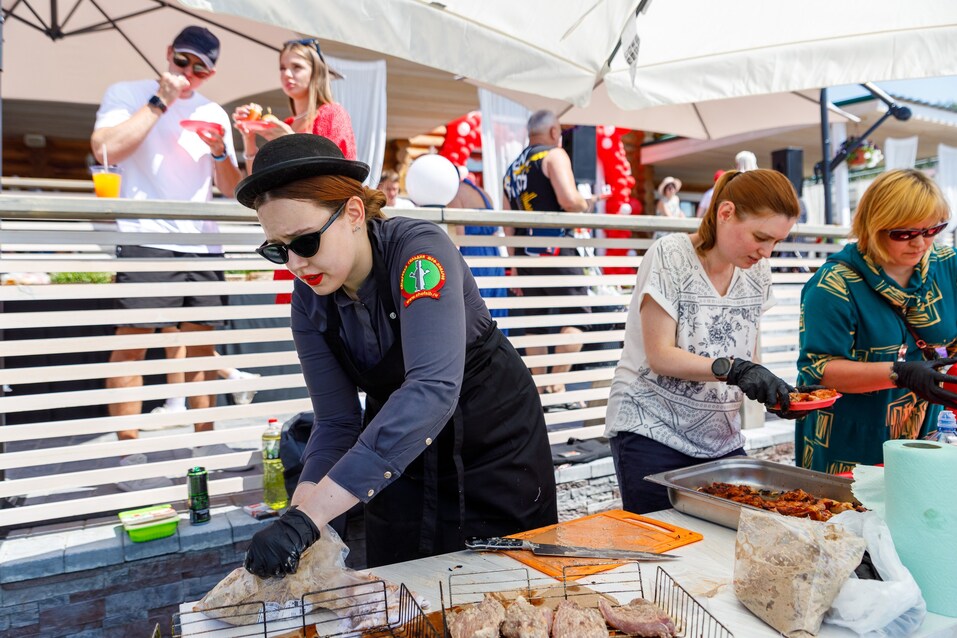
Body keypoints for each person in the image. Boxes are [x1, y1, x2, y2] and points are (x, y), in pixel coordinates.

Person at [235, 134, 558, 574]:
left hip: (491, 443)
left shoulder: (419, 251)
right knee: (402, 585)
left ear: (352, 213)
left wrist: (310, 518)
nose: (294, 263)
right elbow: (336, 421)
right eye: (278, 249)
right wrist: (299, 516)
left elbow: (431, 388)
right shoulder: (308, 299)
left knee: (503, 584)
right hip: (398, 452)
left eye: (305, 242)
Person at [604, 169, 804, 514]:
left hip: (721, 439)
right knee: (665, 546)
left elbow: (747, 354)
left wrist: (772, 392)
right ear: (725, 213)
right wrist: (736, 370)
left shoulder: (757, 271)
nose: (768, 252)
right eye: (761, 237)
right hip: (651, 428)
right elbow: (661, 355)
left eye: (777, 242)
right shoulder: (670, 254)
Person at [90, 26, 242, 472]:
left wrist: (219, 153)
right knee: (132, 346)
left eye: (201, 68)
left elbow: (232, 190)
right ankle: (129, 454)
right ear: (168, 54)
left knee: (200, 346)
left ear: (211, 73)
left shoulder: (214, 111)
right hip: (145, 237)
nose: (189, 73)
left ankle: (206, 446)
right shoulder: (127, 93)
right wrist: (161, 100)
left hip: (202, 245)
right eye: (183, 61)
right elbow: (104, 150)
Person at [796, 169, 957, 474]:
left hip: (929, 426)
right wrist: (900, 373)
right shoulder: (832, 284)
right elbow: (819, 371)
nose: (921, 244)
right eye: (904, 233)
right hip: (851, 434)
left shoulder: (948, 264)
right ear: (873, 227)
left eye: (932, 229)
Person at [235, 38, 359, 306]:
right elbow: (259, 187)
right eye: (282, 67)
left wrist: (288, 138)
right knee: (299, 318)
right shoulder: (287, 122)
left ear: (315, 72)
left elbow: (340, 178)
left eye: (296, 67)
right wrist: (248, 139)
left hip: (319, 238)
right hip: (288, 241)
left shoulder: (332, 114)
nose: (287, 74)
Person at [502, 109, 594, 405]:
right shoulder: (554, 155)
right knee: (577, 318)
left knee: (535, 323)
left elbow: (508, 223)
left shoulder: (512, 168)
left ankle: (539, 391)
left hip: (526, 257)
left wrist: (514, 265)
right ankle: (557, 387)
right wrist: (586, 204)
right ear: (554, 132)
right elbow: (569, 200)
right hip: (557, 251)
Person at [448, 174, 508, 324]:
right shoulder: (484, 193)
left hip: (474, 256)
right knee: (496, 311)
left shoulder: (455, 194)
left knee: (476, 312)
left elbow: (457, 238)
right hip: (494, 256)